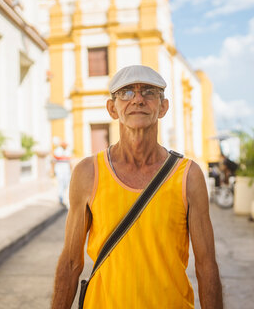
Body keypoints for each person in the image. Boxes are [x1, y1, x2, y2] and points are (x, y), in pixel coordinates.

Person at [51, 65, 223, 308]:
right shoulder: (88, 173)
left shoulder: (188, 176)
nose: (138, 100)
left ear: (163, 107)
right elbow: (70, 263)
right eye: (127, 93)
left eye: (149, 92)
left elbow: (206, 266)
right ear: (113, 109)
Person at [53, 139, 72, 205]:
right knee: (60, 183)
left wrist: (71, 169)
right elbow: (54, 161)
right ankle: (61, 197)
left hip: (66, 170)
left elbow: (69, 162)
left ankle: (63, 195)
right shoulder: (57, 151)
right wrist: (52, 171)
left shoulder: (68, 151)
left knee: (66, 183)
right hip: (59, 170)